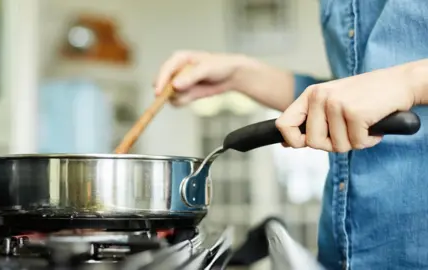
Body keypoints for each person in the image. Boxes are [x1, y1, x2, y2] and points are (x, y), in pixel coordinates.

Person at [154, 1, 428, 269]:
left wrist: (411, 82)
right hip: (344, 250)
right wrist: (240, 74)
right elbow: (347, 101)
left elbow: (393, 87)